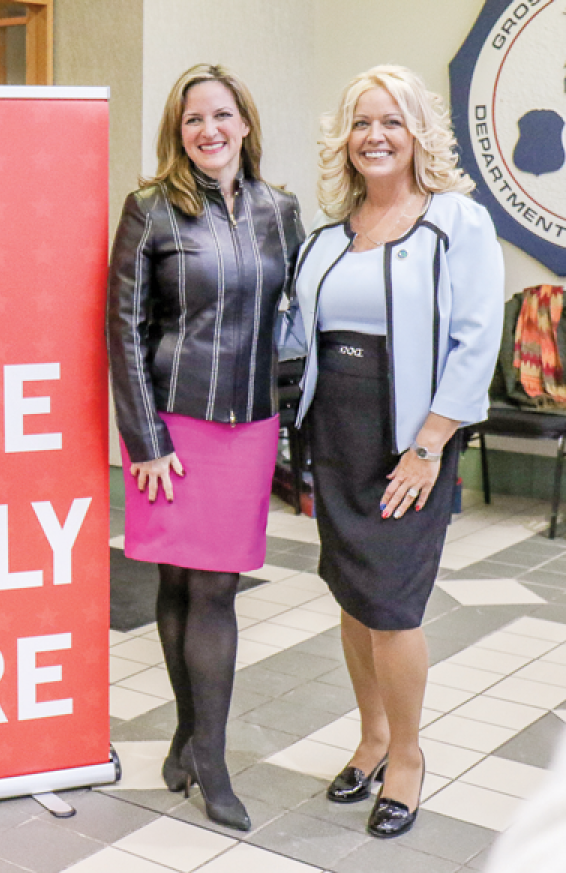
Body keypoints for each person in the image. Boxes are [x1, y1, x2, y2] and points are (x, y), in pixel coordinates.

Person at [293, 65, 503, 838]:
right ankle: (372, 735)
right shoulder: (327, 235)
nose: (375, 136)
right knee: (353, 597)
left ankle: (408, 755)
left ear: (418, 133)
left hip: (411, 436)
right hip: (336, 435)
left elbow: (477, 337)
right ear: (343, 140)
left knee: (392, 604)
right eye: (361, 123)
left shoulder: (458, 221)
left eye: (391, 121)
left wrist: (429, 444)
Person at [108, 63, 303, 832]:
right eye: (194, 119)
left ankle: (200, 746)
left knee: (215, 589)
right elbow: (122, 330)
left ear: (245, 124)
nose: (209, 130)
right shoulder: (150, 208)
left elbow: (292, 315)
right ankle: (203, 753)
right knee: (178, 584)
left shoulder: (280, 210)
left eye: (222, 115)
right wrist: (145, 437)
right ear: (178, 131)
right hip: (172, 426)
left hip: (248, 424)